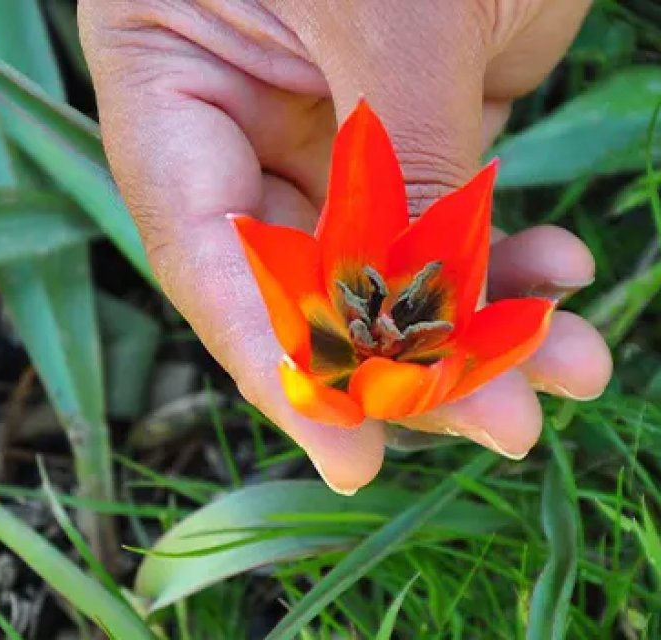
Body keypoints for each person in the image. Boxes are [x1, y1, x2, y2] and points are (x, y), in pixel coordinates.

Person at [79, 1, 613, 495]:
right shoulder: (331, 353)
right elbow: (283, 303)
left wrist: (430, 196)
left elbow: (512, 324)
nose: (382, 331)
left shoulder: (399, 342)